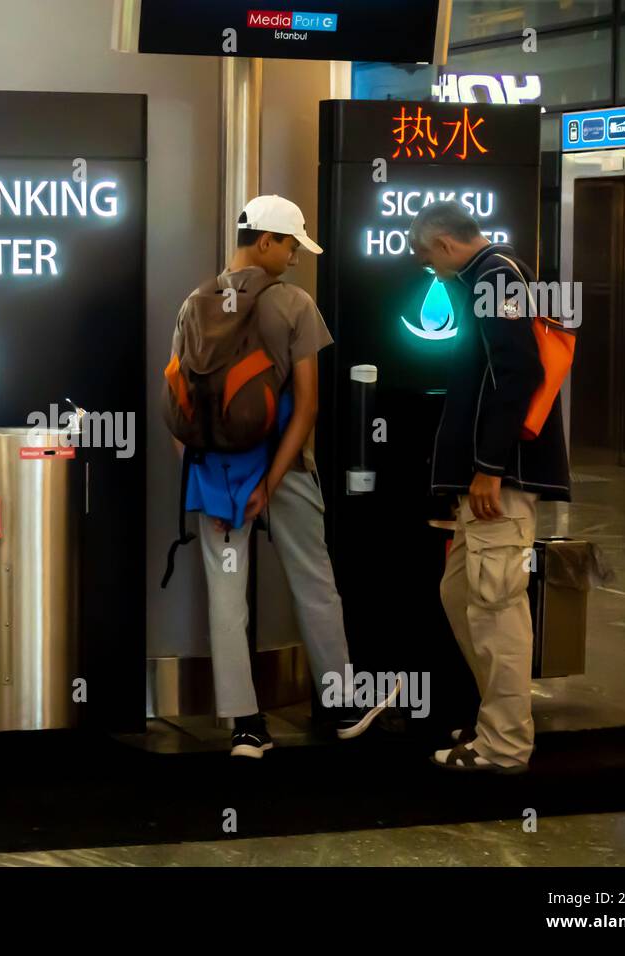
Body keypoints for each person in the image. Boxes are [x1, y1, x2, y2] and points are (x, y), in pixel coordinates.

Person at [166, 195, 399, 759]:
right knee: (314, 583)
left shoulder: (194, 303)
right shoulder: (294, 304)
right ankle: (343, 708)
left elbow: (179, 402)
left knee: (226, 594)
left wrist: (208, 475)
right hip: (286, 469)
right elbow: (310, 405)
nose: (295, 256)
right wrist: (270, 481)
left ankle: (246, 727)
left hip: (217, 473)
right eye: (291, 244)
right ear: (265, 240)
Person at [407, 201, 571, 774]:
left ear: (445, 244)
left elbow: (517, 370)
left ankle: (504, 746)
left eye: (430, 259)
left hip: (501, 476)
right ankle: (497, 722)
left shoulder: (496, 275)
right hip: (489, 477)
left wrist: (489, 465)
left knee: (496, 604)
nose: (433, 271)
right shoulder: (495, 275)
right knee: (464, 595)